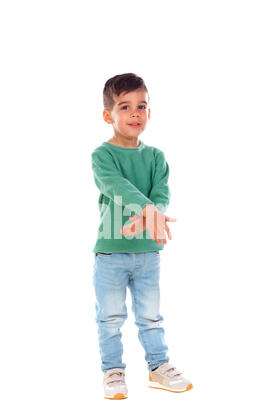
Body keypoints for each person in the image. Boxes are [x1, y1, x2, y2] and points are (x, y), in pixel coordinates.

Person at [91, 73, 193, 399]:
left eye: (142, 106)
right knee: (110, 317)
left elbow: (161, 194)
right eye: (125, 107)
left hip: (148, 252)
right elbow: (116, 187)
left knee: (151, 316)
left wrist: (150, 212)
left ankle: (158, 367)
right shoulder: (102, 156)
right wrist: (148, 211)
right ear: (109, 116)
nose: (136, 113)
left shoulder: (156, 158)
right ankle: (113, 370)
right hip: (111, 252)